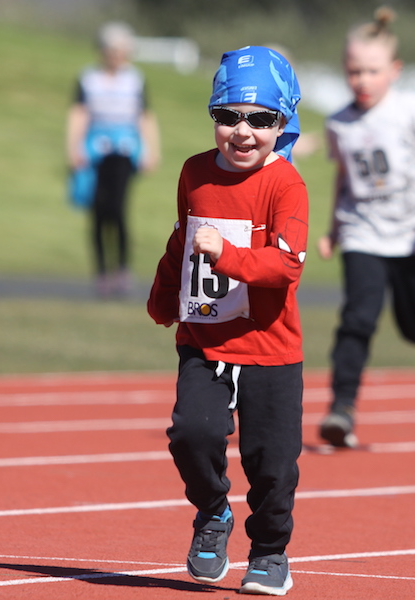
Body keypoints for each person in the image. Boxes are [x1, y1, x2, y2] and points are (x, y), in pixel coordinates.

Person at [147, 46, 307, 596]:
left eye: (260, 119)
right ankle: (213, 512)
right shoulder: (194, 172)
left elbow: (287, 264)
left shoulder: (286, 185)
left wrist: (229, 256)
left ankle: (269, 551)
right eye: (228, 116)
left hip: (270, 348)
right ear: (214, 116)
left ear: (282, 123)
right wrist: (163, 296)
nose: (243, 131)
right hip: (205, 339)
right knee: (192, 433)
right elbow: (181, 242)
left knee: (272, 466)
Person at [317, 7, 415, 448]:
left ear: (394, 71)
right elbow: (342, 177)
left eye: (372, 71)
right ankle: (341, 408)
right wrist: (332, 229)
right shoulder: (339, 123)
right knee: (358, 318)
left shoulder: (413, 109)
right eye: (353, 71)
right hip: (363, 231)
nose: (362, 80)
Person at [66, 22, 160, 298]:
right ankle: (101, 273)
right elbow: (79, 114)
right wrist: (73, 148)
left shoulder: (135, 79)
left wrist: (152, 150)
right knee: (97, 212)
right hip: (94, 151)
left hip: (124, 152)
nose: (116, 55)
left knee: (117, 209)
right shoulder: (88, 78)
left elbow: (145, 116)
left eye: (121, 49)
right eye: (111, 49)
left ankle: (121, 269)